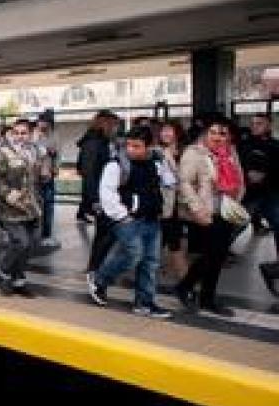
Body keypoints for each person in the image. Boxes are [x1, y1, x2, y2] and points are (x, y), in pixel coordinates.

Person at [87, 127, 172, 318]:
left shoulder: (157, 160)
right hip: (127, 219)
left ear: (149, 146)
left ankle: (144, 303)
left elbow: (169, 182)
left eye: (137, 146)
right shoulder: (117, 164)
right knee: (134, 254)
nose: (131, 150)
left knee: (150, 262)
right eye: (129, 145)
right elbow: (106, 193)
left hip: (152, 218)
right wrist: (122, 216)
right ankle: (99, 280)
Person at [174, 116, 245, 316]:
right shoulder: (194, 152)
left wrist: (237, 198)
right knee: (211, 254)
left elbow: (239, 176)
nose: (217, 137)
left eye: (221, 133)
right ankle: (186, 287)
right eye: (212, 132)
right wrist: (196, 208)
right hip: (206, 211)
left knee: (218, 256)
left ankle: (206, 298)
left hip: (227, 210)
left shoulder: (230, 151)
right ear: (205, 133)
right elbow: (185, 183)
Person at [0, 119, 42, 296]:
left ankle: (19, 281)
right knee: (21, 242)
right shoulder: (1, 152)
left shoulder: (34, 151)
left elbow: (35, 179)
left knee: (30, 245)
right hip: (10, 208)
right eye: (16, 132)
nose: (20, 136)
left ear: (29, 133)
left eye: (23, 133)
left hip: (31, 207)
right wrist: (7, 193)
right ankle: (3, 272)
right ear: (12, 133)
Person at [238, 113, 279, 293]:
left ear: (268, 125)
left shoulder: (276, 146)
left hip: (270, 194)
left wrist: (266, 175)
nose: (255, 126)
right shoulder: (244, 145)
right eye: (253, 123)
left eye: (259, 123)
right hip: (248, 197)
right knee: (230, 232)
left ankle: (274, 269)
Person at [76, 111, 120, 223]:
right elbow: (89, 173)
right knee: (103, 233)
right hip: (99, 195)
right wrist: (95, 200)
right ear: (105, 124)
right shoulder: (93, 143)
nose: (116, 129)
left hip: (104, 192)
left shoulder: (103, 141)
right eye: (114, 125)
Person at [158, 120, 188, 280]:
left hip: (181, 203)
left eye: (169, 130)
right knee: (174, 242)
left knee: (168, 240)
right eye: (163, 131)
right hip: (165, 203)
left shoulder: (185, 152)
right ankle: (186, 281)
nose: (165, 134)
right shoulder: (158, 152)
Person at [33, 113, 60, 248]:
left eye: (45, 122)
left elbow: (57, 154)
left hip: (48, 175)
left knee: (48, 206)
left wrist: (55, 168)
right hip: (33, 177)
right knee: (33, 206)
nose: (43, 125)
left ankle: (46, 235)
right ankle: (32, 233)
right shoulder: (32, 136)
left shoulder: (54, 136)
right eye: (40, 122)